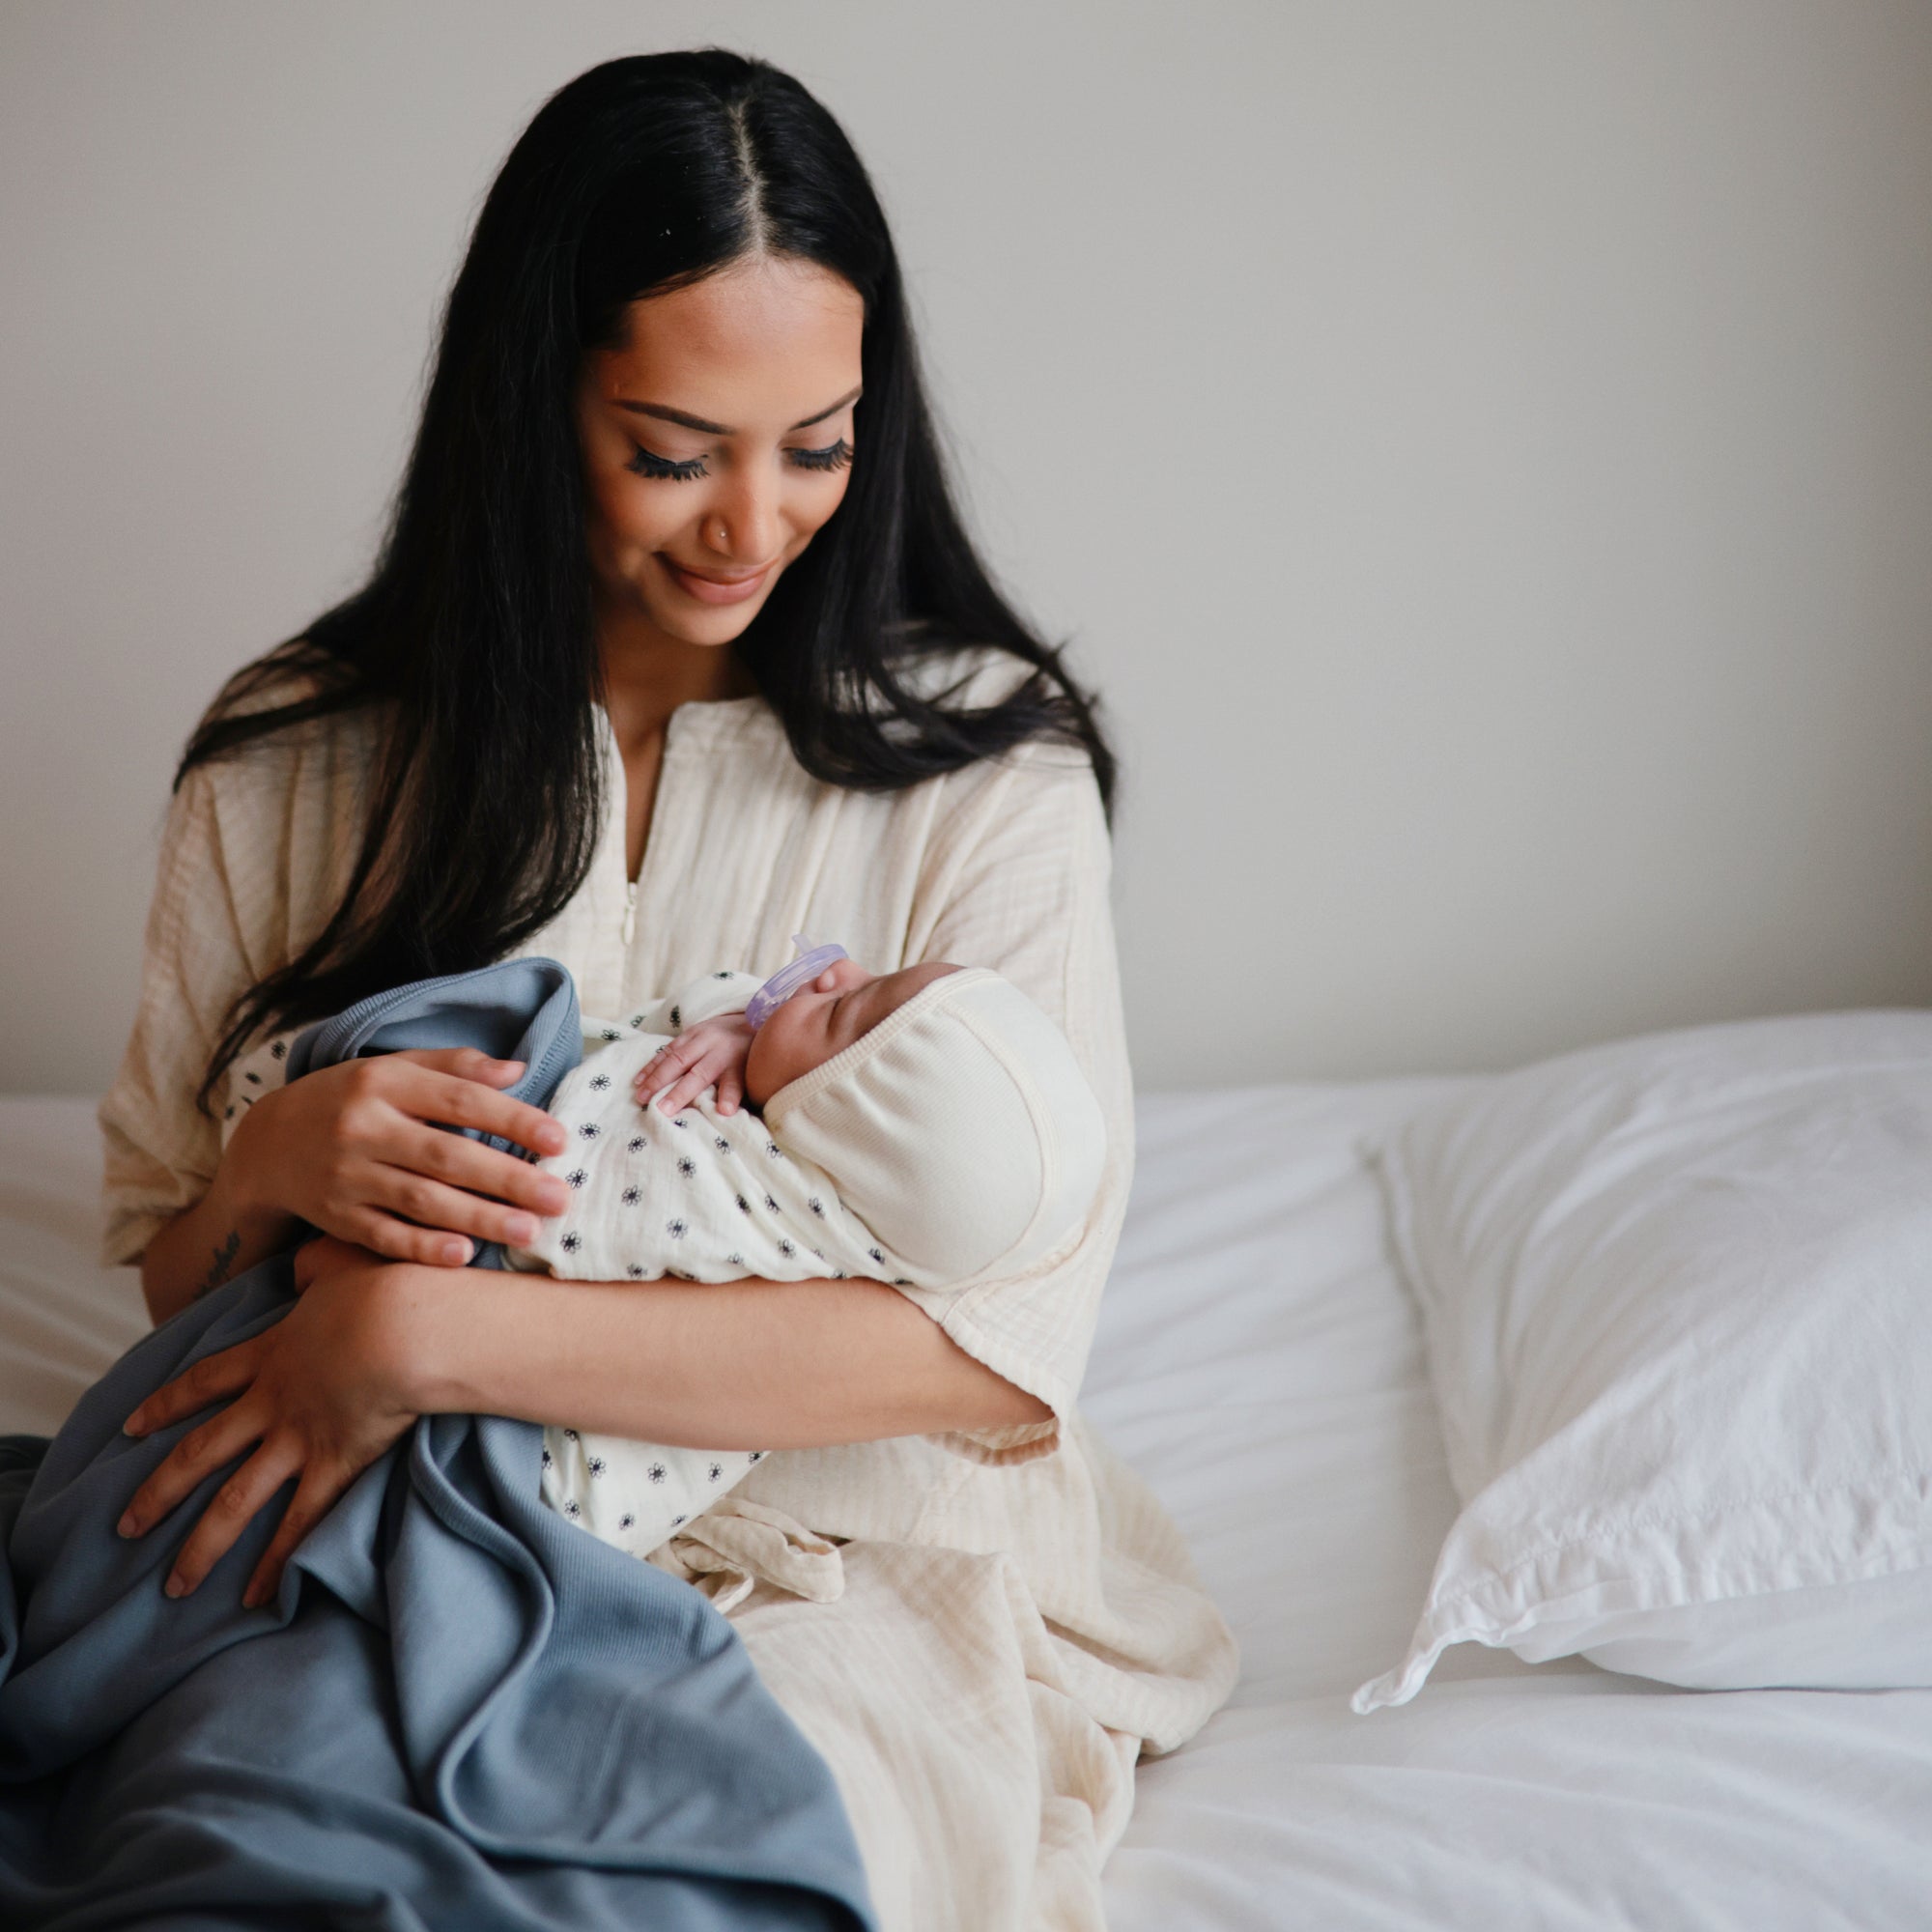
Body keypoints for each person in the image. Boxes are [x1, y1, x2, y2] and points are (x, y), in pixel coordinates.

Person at [99, 49, 1236, 1931]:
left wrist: (424, 1340)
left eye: (818, 441)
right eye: (674, 449)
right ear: (529, 403)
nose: (752, 526)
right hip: (389, 1529)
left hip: (844, 1557)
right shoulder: (289, 758)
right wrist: (277, 1165)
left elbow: (983, 1349)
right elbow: (164, 1265)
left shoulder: (985, 773)